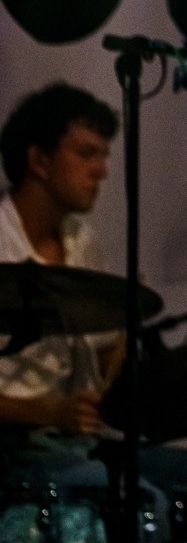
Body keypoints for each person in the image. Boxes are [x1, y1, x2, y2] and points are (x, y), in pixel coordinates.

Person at [0, 82, 120, 436]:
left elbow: (105, 355)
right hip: (16, 441)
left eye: (103, 156)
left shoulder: (82, 242)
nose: (101, 171)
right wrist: (49, 412)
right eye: (86, 154)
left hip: (72, 439)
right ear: (39, 160)